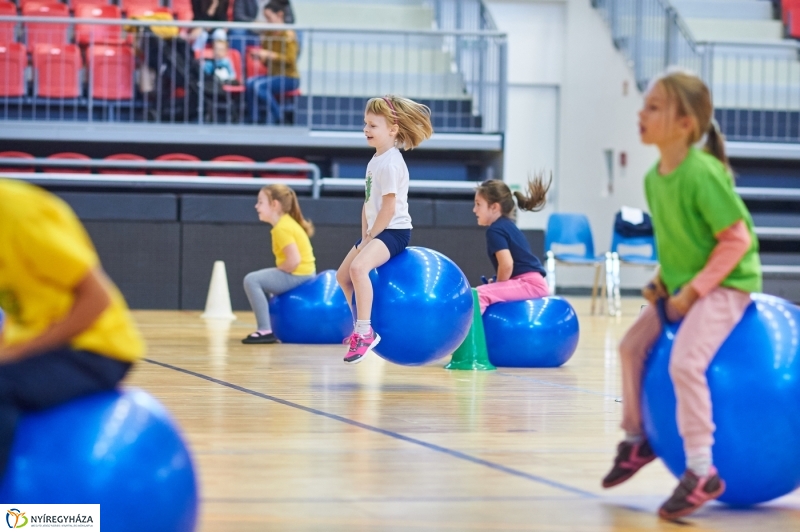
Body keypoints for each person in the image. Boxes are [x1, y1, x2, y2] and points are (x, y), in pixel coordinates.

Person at [600, 70, 762, 520]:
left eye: (654, 107)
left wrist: (692, 292)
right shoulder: (656, 178)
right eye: (644, 104)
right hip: (684, 286)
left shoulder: (702, 173)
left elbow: (735, 241)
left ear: (685, 123)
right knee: (631, 346)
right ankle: (637, 440)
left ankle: (700, 470)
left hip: (727, 286)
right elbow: (681, 244)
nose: (641, 113)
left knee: (686, 362)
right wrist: (664, 283)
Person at [0, 180, 144, 479]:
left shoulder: (20, 213)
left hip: (93, 349)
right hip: (39, 347)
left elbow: (98, 298)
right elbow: (21, 308)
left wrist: (19, 353)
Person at [336, 95, 433, 364]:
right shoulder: (375, 160)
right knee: (343, 276)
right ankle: (360, 325)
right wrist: (364, 235)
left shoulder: (391, 162)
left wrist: (370, 238)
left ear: (392, 129)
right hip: (376, 230)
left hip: (394, 232)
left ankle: (364, 332)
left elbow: (388, 209)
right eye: (365, 124)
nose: (366, 130)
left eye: (373, 126)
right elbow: (368, 203)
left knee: (358, 269)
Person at [242, 184, 316, 344]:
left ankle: (265, 330)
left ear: (274, 205)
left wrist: (277, 271)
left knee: (252, 279)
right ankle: (271, 327)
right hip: (304, 274)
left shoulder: (282, 228)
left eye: (260, 202)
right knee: (264, 280)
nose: (256, 206)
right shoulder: (285, 224)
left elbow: (294, 261)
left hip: (300, 276)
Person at [472, 175, 551, 314]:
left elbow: (507, 265)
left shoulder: (495, 230)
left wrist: (498, 285)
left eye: (478, 204)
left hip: (530, 285)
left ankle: (473, 336)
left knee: (478, 295)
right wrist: (497, 284)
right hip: (534, 284)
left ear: (494, 207)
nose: (474, 210)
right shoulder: (507, 225)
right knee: (485, 291)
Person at [245, 0, 299, 124]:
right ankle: (255, 118)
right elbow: (267, 62)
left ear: (279, 15)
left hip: (289, 77)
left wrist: (269, 55)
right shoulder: (268, 34)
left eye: (269, 18)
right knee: (250, 83)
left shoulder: (288, 35)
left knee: (259, 86)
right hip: (273, 75)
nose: (267, 22)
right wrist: (261, 57)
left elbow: (290, 60)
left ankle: (278, 116)